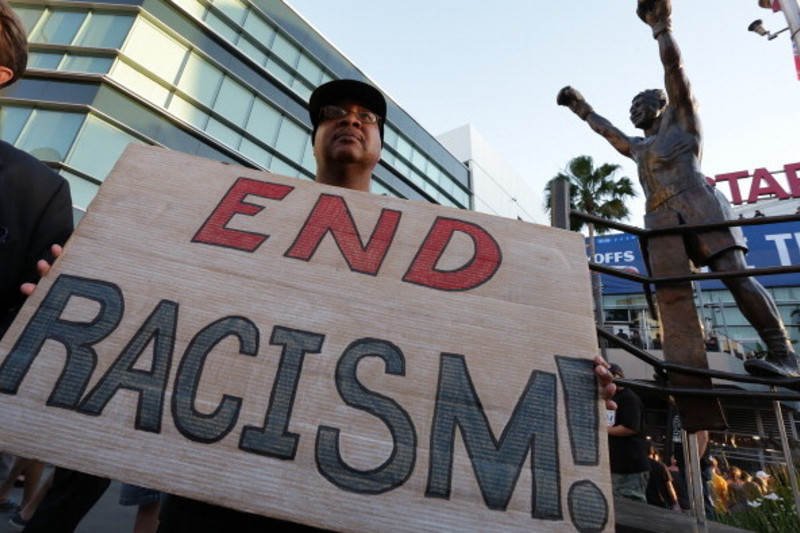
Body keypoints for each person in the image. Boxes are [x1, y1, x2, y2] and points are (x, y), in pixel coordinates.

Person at [155, 78, 387, 532]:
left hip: (343, 482)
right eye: (334, 112)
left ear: (379, 144)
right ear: (315, 138)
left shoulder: (416, 246)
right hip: (217, 470)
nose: (351, 119)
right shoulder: (253, 217)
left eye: (367, 117)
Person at [557, 0, 799, 380]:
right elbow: (607, 131)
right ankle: (682, 365)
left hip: (697, 200)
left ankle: (784, 353)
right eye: (632, 105)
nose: (634, 109)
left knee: (733, 273)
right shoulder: (639, 148)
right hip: (661, 215)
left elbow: (675, 70)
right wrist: (581, 107)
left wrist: (661, 26)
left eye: (642, 103)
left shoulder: (681, 122)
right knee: (668, 293)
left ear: (662, 104)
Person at [606, 363, 649, 502]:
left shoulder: (629, 398)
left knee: (631, 503)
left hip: (630, 466)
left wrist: (604, 430)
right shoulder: (610, 398)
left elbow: (630, 427)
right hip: (616, 465)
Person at [645, 445, 679, 510]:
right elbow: (669, 486)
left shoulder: (639, 465)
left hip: (645, 501)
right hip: (660, 502)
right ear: (653, 453)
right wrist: (675, 502)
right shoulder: (660, 466)